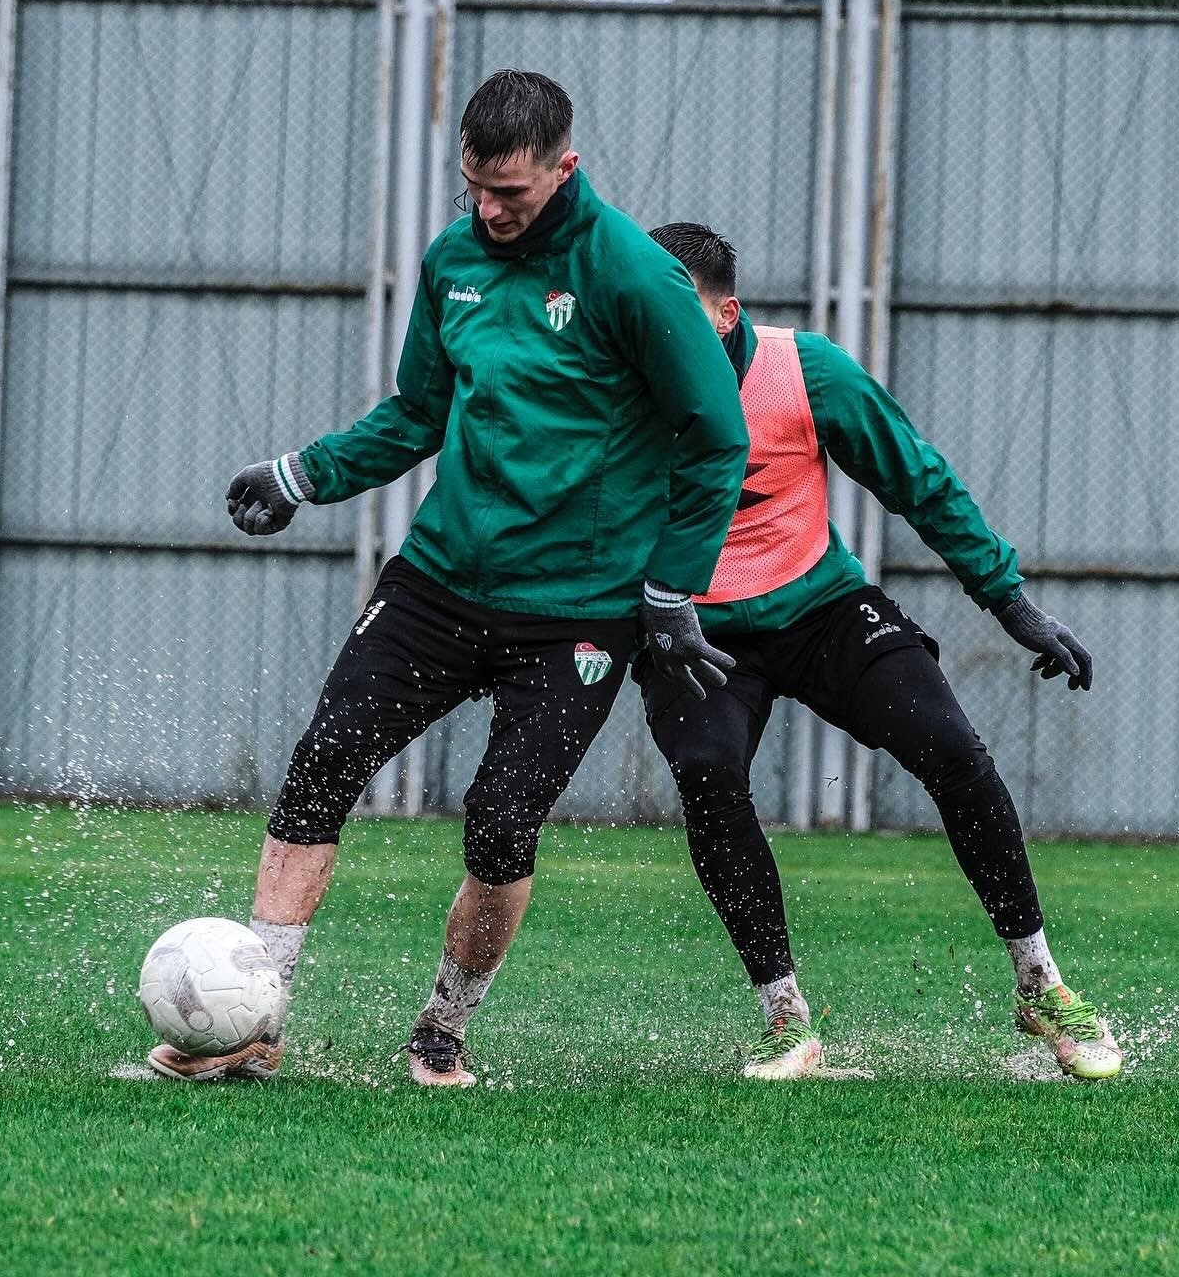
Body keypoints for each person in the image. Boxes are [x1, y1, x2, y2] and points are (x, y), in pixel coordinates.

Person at [146, 71, 749, 1085]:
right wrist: (301, 475)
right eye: (474, 186)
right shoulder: (454, 259)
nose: (489, 210)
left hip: (577, 613)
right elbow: (415, 415)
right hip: (439, 579)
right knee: (321, 765)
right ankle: (255, 1023)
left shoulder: (635, 277)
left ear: (566, 167)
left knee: (502, 819)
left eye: (509, 192)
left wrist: (669, 588)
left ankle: (443, 1028)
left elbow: (717, 438)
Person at [640, 221, 1119, 1082]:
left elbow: (918, 478)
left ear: (727, 314)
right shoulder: (616, 384)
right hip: (698, 634)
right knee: (707, 771)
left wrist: (1009, 602)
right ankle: (786, 1021)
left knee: (955, 750)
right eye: (644, 317)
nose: (658, 340)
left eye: (679, 319)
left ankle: (1041, 984)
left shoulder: (806, 370)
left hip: (822, 607)